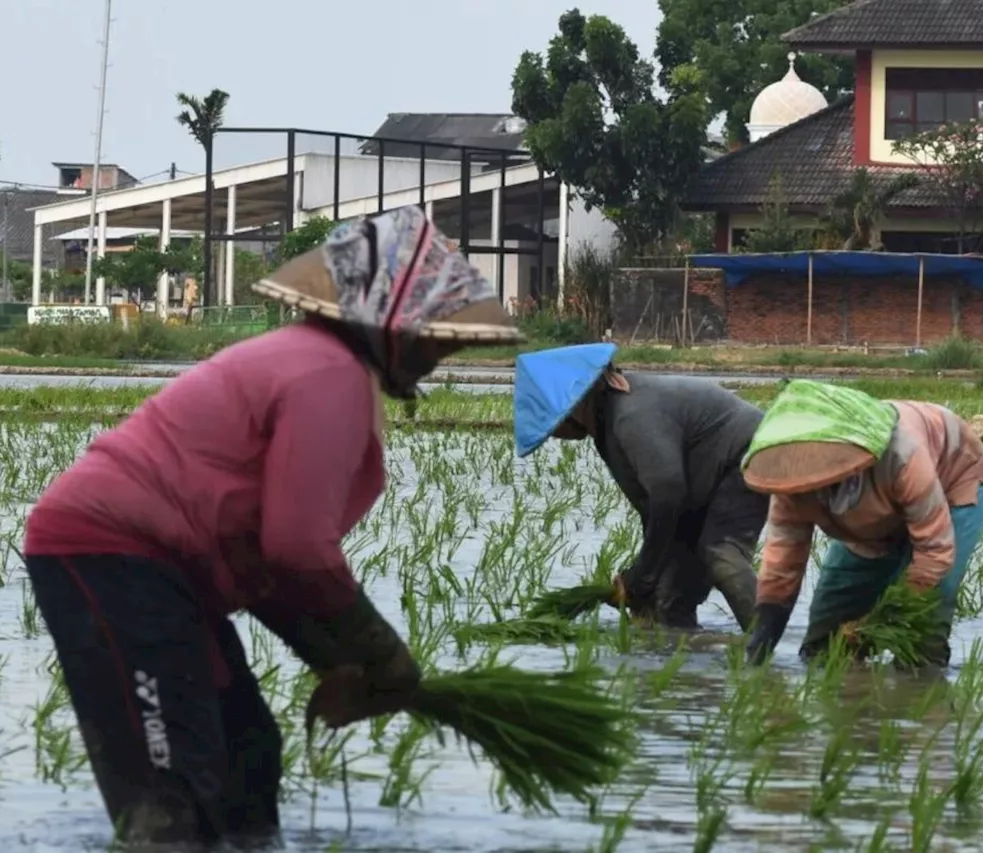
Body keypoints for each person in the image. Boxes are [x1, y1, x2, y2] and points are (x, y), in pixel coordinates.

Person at [21, 206, 520, 848]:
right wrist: (379, 654)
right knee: (171, 795)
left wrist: (337, 660)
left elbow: (265, 569)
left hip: (174, 574)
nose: (444, 349)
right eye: (438, 334)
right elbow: (296, 549)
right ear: (394, 321)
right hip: (112, 555)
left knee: (247, 755)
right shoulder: (327, 374)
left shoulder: (326, 368)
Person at [514, 343, 766, 631]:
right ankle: (685, 660)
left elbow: (667, 493)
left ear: (574, 404)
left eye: (552, 423)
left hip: (748, 455)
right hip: (701, 487)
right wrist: (646, 581)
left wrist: (641, 576)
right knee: (670, 597)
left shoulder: (630, 415)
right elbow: (656, 511)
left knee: (720, 552)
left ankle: (767, 645)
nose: (555, 435)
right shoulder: (607, 426)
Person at [740, 379, 983, 667]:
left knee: (925, 616)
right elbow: (782, 565)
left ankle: (922, 687)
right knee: (826, 638)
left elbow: (935, 551)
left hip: (952, 475)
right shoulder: (792, 484)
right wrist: (762, 638)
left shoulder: (902, 455)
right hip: (871, 514)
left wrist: (882, 620)